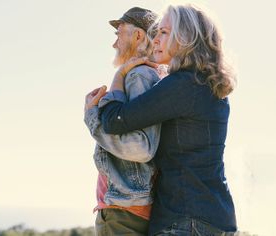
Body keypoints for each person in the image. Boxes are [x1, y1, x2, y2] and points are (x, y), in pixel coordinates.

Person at [86, 4, 237, 236]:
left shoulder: (182, 84)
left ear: (186, 37)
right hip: (217, 217)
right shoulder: (209, 85)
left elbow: (116, 120)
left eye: (164, 32)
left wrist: (119, 77)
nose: (155, 39)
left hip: (185, 221)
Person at [84, 7, 166, 236]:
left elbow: (139, 148)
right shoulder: (140, 75)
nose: (114, 43)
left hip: (124, 213)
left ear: (138, 36)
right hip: (123, 209)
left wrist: (91, 116)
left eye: (118, 33)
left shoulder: (138, 76)